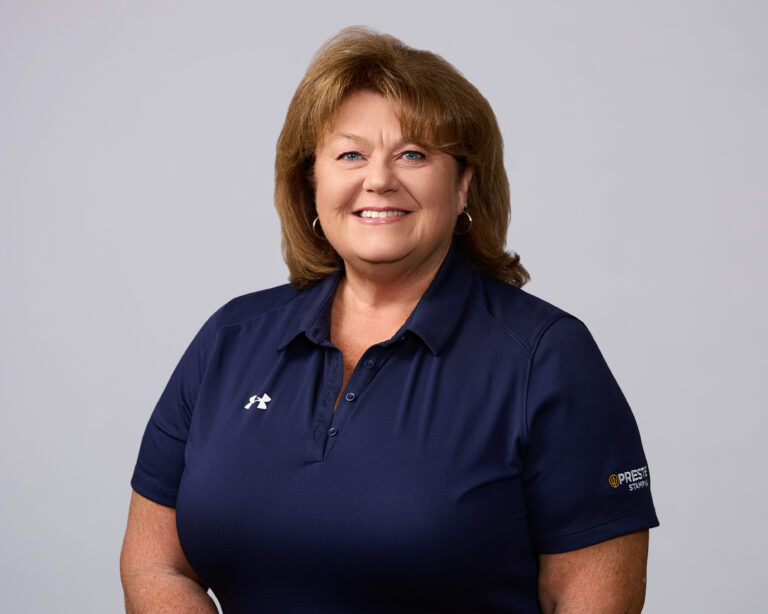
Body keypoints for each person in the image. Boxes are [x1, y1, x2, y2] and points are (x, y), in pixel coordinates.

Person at [120, 27, 658, 613]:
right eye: (350, 154)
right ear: (312, 182)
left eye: (413, 154)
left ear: (462, 185)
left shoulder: (545, 358)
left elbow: (590, 599)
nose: (378, 179)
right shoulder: (230, 338)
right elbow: (156, 562)